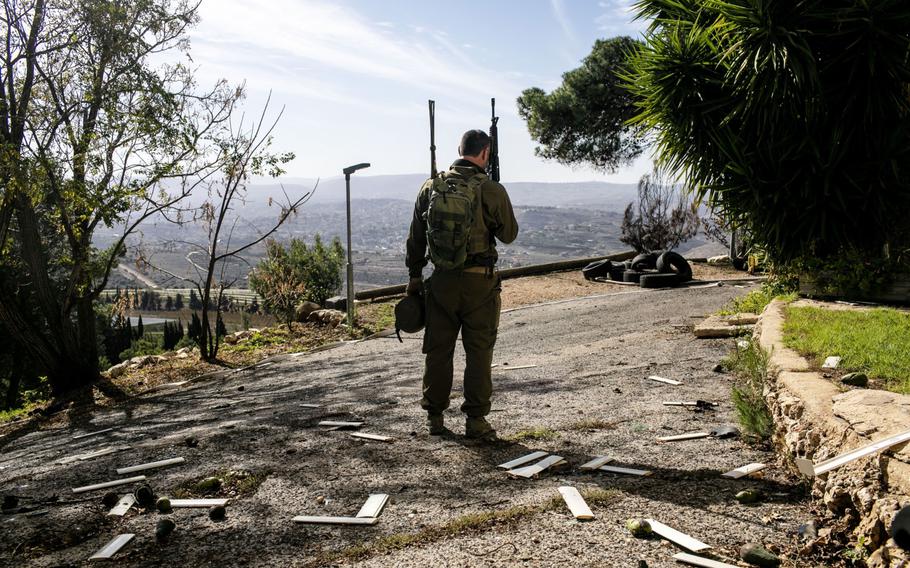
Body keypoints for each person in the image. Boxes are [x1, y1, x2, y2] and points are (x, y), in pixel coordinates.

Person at [405, 129, 518, 440]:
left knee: (438, 351)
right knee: (478, 352)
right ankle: (476, 421)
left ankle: (435, 417)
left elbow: (415, 239)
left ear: (460, 149)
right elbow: (509, 234)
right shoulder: (490, 189)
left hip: (441, 283)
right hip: (479, 284)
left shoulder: (431, 187)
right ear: (485, 153)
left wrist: (415, 278)